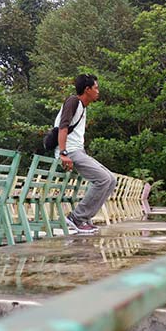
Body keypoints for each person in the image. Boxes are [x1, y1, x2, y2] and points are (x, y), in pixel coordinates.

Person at [55, 74, 116, 234]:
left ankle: (84, 218)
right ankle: (76, 218)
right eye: (95, 88)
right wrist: (63, 153)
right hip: (69, 151)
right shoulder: (73, 101)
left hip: (78, 150)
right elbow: (63, 127)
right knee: (102, 179)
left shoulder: (82, 106)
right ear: (87, 89)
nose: (98, 91)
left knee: (111, 180)